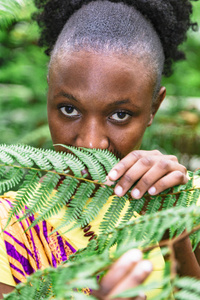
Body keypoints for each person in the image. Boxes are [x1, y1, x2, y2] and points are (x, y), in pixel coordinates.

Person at [0, 0, 199, 299]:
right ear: (49, 93)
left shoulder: (188, 206)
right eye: (69, 109)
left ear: (153, 108)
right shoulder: (10, 224)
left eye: (119, 115)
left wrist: (174, 229)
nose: (91, 143)